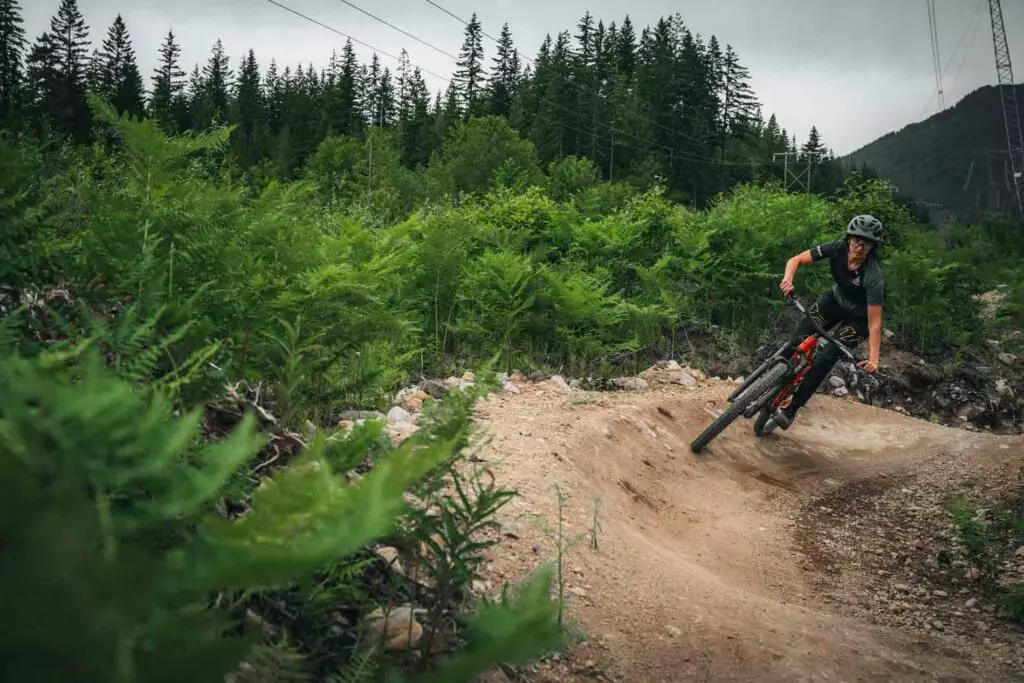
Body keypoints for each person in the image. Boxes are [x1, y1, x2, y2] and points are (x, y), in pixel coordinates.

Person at [767, 214, 885, 431]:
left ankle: (791, 409)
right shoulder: (837, 248)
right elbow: (796, 260)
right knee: (799, 339)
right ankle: (771, 379)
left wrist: (873, 359)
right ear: (849, 238)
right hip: (834, 301)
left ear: (872, 247)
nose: (860, 246)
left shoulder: (873, 275)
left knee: (825, 358)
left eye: (867, 243)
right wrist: (787, 280)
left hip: (859, 319)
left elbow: (875, 323)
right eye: (857, 239)